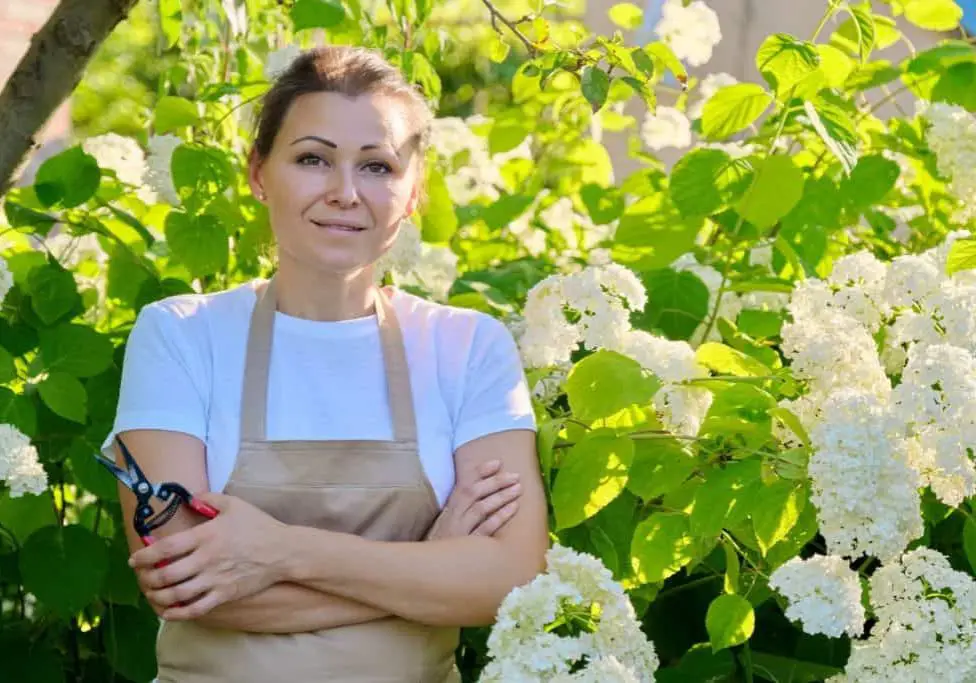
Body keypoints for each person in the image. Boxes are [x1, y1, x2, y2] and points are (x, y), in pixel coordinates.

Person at [102, 45, 548, 682]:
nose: (345, 193)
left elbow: (508, 583)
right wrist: (432, 563)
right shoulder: (182, 335)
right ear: (259, 173)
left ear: (414, 192)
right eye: (313, 159)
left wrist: (278, 552)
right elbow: (182, 580)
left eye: (377, 166)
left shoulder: (468, 347)